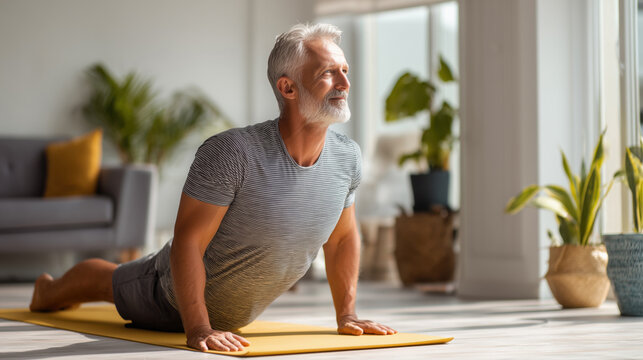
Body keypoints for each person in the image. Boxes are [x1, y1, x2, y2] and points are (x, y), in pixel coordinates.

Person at [29, 23, 397, 352]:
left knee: (117, 279)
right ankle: (48, 290)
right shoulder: (232, 151)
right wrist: (199, 328)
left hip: (232, 312)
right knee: (113, 282)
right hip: (169, 297)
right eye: (329, 74)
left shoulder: (347, 157)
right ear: (287, 87)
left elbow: (342, 239)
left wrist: (347, 314)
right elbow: (188, 242)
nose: (345, 84)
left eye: (345, 71)